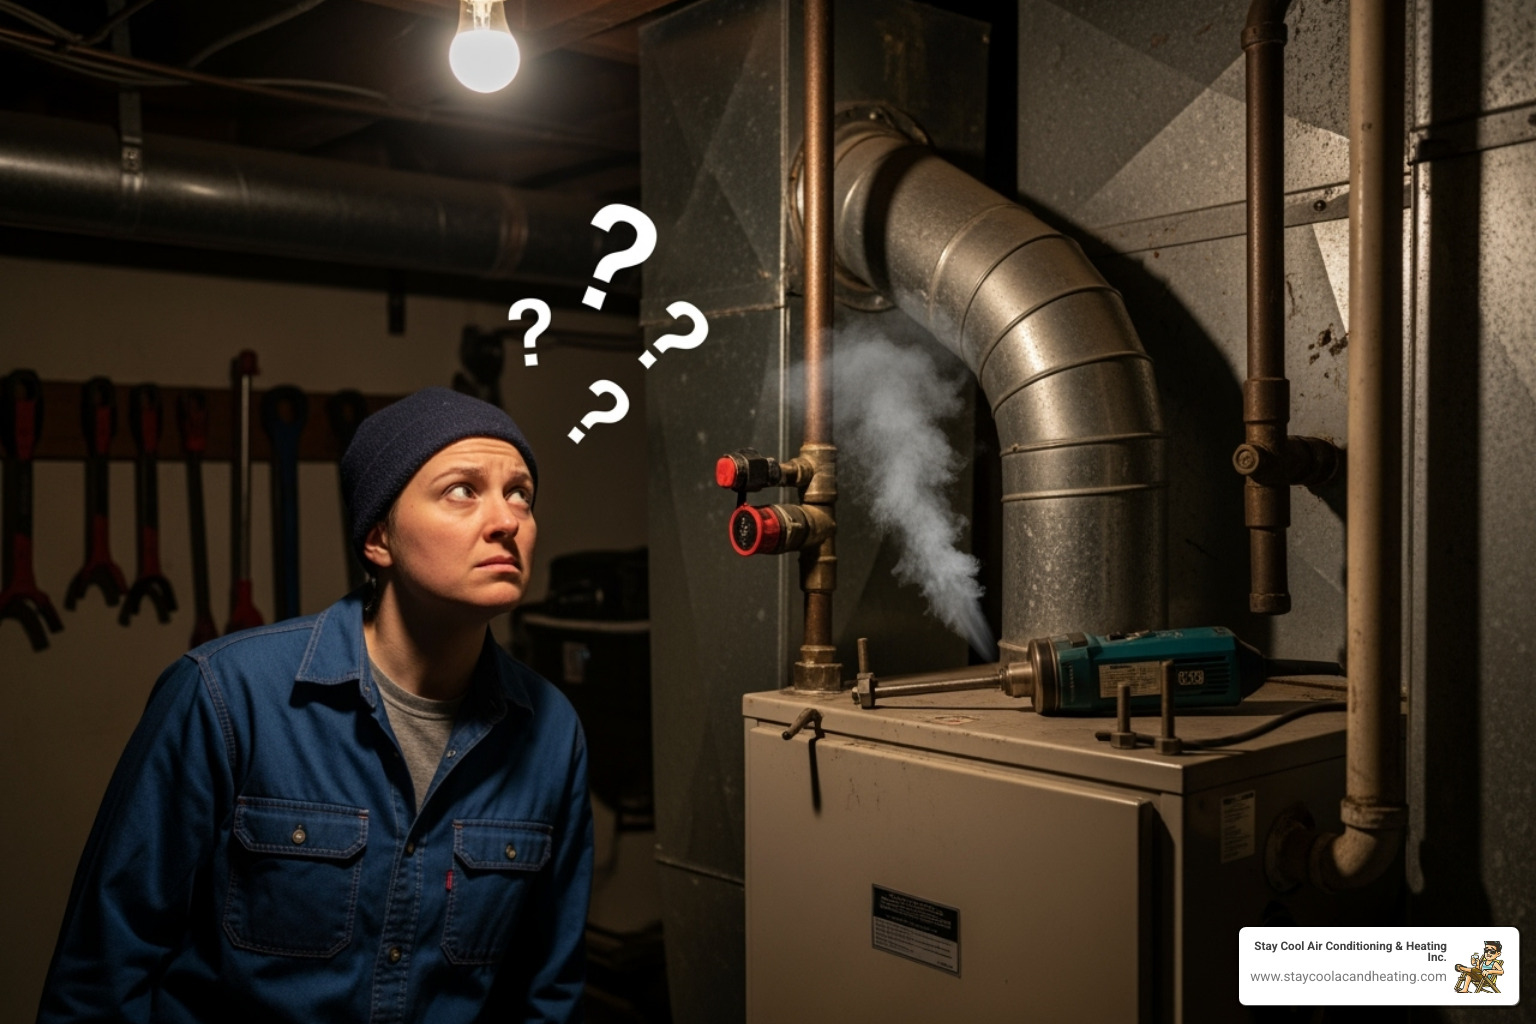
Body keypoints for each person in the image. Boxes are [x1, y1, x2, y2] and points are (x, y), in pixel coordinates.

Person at [38, 387, 593, 1023]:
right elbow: (101, 978)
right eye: (462, 490)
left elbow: (544, 996)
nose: (507, 520)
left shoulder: (551, 733)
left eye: (519, 492)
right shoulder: (225, 695)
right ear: (378, 537)